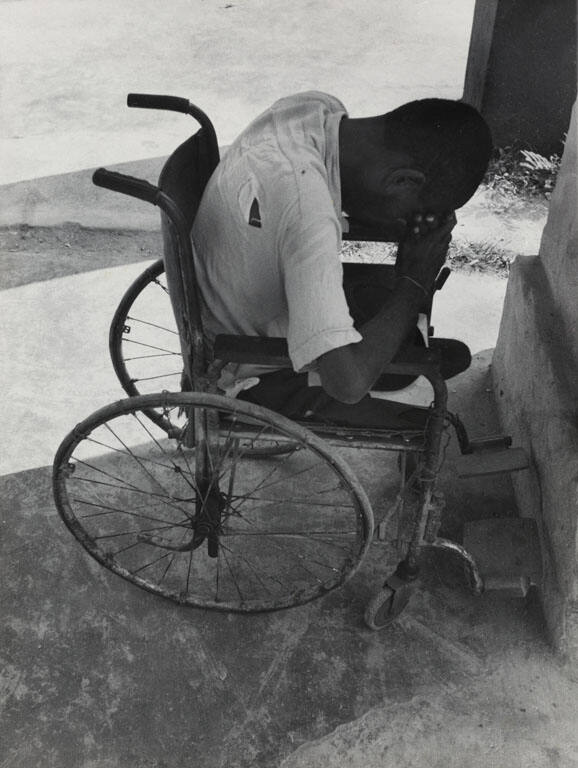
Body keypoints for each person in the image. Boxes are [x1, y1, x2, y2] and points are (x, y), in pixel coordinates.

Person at [191, 92, 492, 429]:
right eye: (414, 210)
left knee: (431, 350)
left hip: (244, 304)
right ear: (403, 180)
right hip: (256, 369)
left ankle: (406, 350)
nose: (408, 221)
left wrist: (395, 226)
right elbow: (347, 384)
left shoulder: (313, 110)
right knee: (431, 420)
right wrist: (415, 281)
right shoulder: (307, 213)